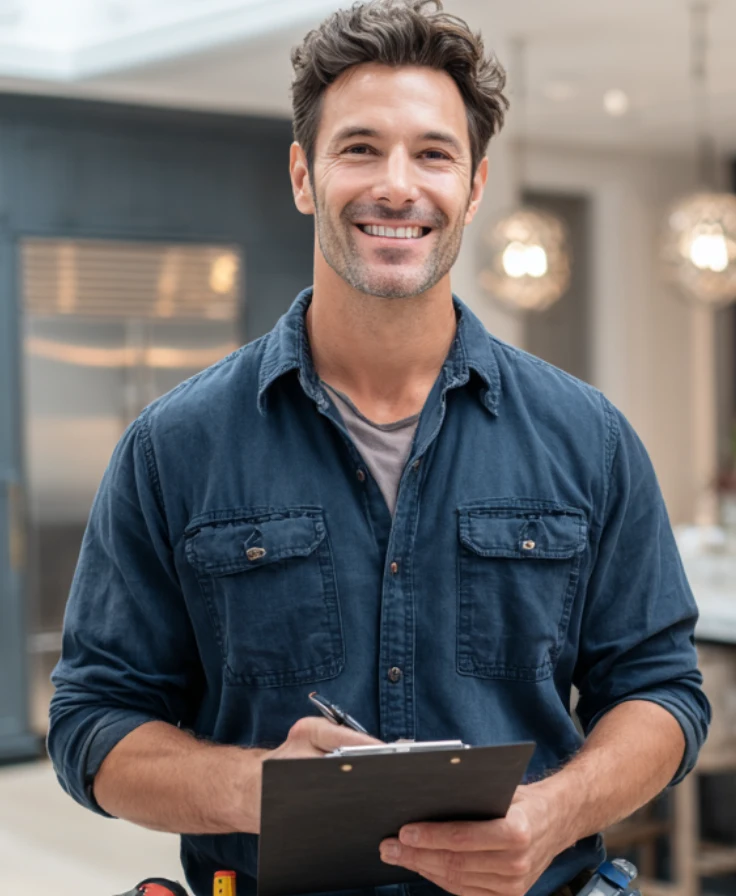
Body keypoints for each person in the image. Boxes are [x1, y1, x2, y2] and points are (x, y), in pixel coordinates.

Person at [48, 1, 711, 895]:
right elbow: (94, 722)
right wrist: (258, 788)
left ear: (473, 186)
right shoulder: (174, 447)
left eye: (432, 153)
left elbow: (663, 692)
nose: (397, 187)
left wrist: (554, 811)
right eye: (360, 148)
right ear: (303, 175)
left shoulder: (588, 438)